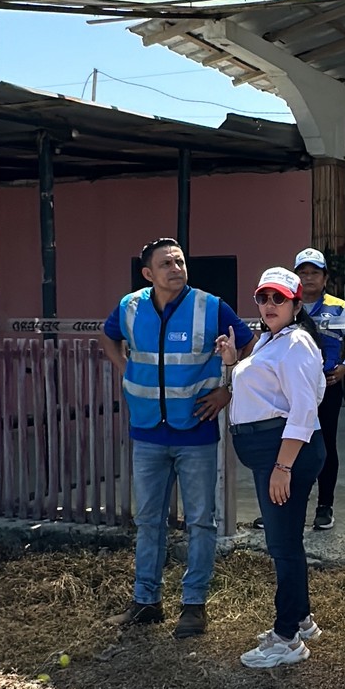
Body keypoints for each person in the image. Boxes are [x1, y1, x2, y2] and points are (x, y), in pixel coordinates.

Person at [102, 238, 251, 638]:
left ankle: (194, 607)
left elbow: (249, 344)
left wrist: (228, 389)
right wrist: (125, 369)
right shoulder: (130, 307)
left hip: (195, 432)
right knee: (148, 520)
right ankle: (146, 602)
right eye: (166, 263)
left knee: (201, 521)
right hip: (148, 430)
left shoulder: (210, 306)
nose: (176, 268)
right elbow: (107, 335)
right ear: (148, 273)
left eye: (180, 261)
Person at [217, 265, 326, 669]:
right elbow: (262, 393)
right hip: (273, 453)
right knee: (287, 542)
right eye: (262, 297)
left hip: (285, 453)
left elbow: (303, 409)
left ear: (296, 304)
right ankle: (301, 620)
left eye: (278, 298)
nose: (269, 304)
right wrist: (232, 362)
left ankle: (287, 638)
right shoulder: (270, 340)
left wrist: (283, 466)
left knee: (282, 546)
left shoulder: (295, 343)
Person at [293, 248, 345, 531]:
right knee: (291, 444)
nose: (308, 278)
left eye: (314, 273)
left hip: (327, 387)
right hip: (293, 389)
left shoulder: (338, 308)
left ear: (325, 278)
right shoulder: (287, 303)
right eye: (303, 273)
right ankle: (289, 507)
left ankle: (324, 507)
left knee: (325, 446)